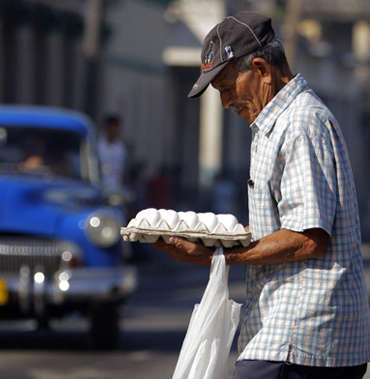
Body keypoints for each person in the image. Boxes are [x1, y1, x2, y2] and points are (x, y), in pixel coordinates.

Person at [153, 12, 370, 379]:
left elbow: (308, 238)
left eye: (225, 87)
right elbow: (289, 225)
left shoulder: (300, 123)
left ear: (261, 70)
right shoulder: (276, 124)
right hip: (289, 334)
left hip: (301, 337)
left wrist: (218, 258)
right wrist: (214, 244)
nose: (224, 103)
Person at [97, 114, 127, 190]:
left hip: (114, 187)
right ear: (109, 127)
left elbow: (120, 171)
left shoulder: (120, 148)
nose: (117, 130)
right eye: (115, 127)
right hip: (99, 185)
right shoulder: (98, 145)